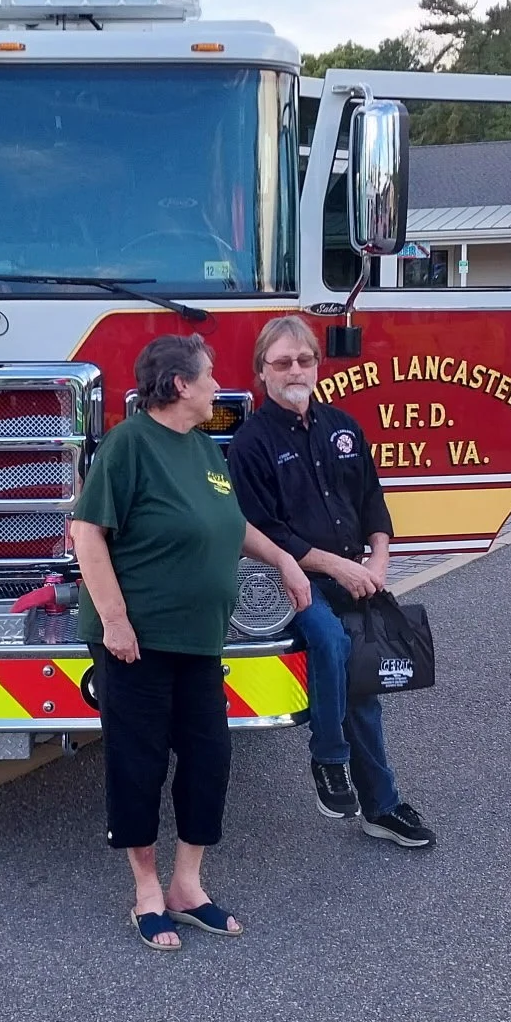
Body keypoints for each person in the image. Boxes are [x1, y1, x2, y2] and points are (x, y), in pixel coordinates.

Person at [71, 333, 312, 950]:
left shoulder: (204, 448)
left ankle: (187, 886)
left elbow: (228, 525)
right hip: (138, 643)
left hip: (201, 642)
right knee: (139, 765)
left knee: (208, 762)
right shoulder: (128, 446)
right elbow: (88, 533)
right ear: (179, 384)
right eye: (207, 377)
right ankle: (147, 891)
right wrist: (115, 618)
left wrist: (283, 559)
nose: (215, 386)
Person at [227, 315, 436, 848]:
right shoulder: (251, 442)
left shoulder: (343, 427)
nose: (295, 370)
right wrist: (338, 566)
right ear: (262, 373)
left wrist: (379, 563)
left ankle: (381, 807)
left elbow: (371, 500)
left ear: (317, 364)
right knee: (330, 640)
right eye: (281, 362)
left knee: (362, 686)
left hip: (355, 575)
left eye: (304, 359)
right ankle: (328, 760)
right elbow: (263, 529)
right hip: (289, 578)